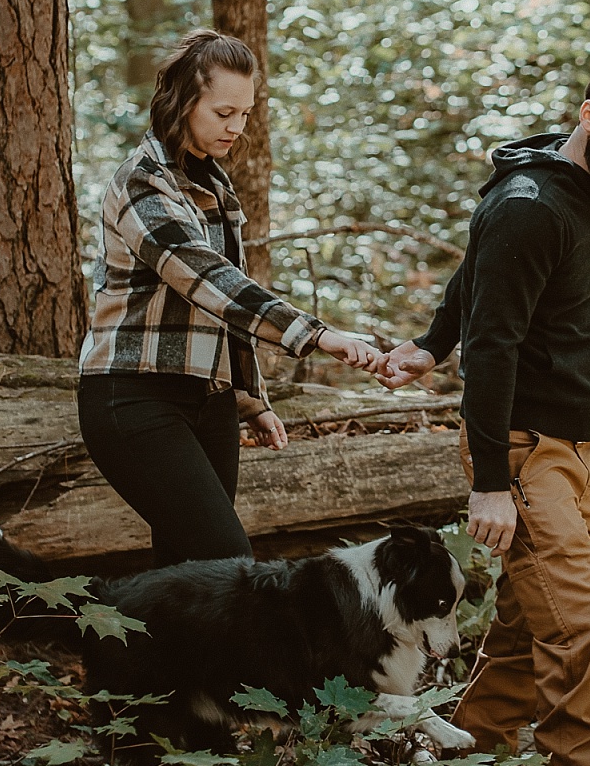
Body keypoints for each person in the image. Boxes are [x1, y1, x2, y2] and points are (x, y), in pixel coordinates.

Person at [377, 51, 590, 766]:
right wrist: (491, 484)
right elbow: (494, 347)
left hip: (580, 442)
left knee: (523, 627)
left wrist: (428, 340)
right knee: (580, 625)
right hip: (524, 449)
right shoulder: (527, 205)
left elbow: (478, 272)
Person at [80, 29, 385, 567]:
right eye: (224, 113)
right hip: (133, 397)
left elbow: (223, 307)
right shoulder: (142, 184)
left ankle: (159, 655)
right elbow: (205, 279)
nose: (237, 128)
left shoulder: (214, 184)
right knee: (227, 565)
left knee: (187, 577)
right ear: (182, 101)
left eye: (244, 114)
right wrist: (318, 335)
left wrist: (248, 398)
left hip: (209, 401)